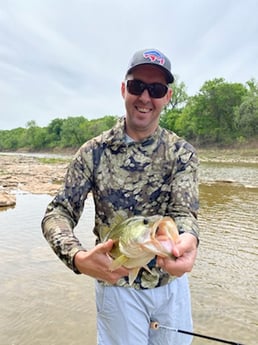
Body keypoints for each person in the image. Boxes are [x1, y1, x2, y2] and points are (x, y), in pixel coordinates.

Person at [42, 48, 199, 345]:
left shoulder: (182, 153)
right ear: (124, 89)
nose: (145, 97)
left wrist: (189, 239)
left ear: (168, 96)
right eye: (138, 86)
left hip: (171, 288)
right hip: (116, 286)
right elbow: (58, 212)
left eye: (156, 89)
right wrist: (77, 257)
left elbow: (185, 213)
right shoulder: (92, 153)